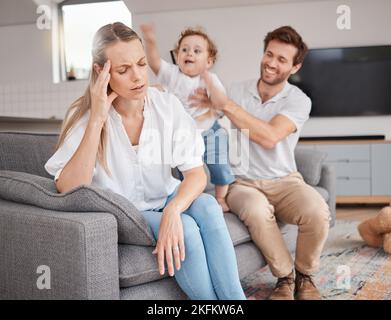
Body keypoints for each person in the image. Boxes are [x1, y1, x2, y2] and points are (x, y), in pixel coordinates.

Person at [44, 22, 245, 300]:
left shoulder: (166, 105)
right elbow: (68, 187)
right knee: (186, 230)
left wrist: (173, 210)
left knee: (209, 205)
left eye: (141, 64)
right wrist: (98, 119)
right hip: (129, 210)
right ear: (101, 72)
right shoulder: (85, 119)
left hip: (164, 197)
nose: (138, 76)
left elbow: (196, 174)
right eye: (124, 70)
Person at [189, 26, 330, 300]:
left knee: (317, 211)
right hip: (243, 183)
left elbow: (270, 137)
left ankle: (305, 275)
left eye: (281, 59)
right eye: (269, 54)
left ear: (295, 66)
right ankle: (285, 277)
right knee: (255, 210)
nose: (271, 63)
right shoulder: (237, 90)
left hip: (286, 180)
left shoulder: (299, 100)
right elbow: (206, 119)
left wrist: (227, 106)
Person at [140, 24, 235, 212]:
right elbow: (155, 62)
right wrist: (150, 41)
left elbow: (221, 102)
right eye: (184, 49)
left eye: (197, 51)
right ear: (177, 56)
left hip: (209, 129)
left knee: (219, 163)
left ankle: (221, 197)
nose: (189, 53)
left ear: (209, 61)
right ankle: (189, 196)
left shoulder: (210, 79)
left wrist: (208, 80)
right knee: (186, 169)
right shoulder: (173, 75)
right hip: (184, 134)